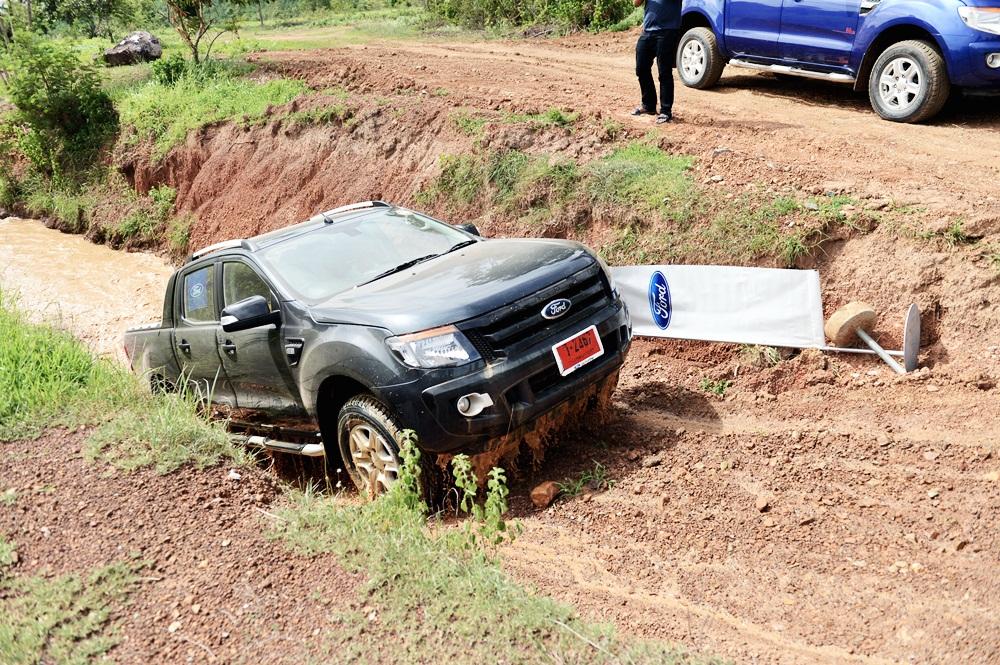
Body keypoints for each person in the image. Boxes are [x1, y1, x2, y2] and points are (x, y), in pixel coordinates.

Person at [631, 0, 682, 124]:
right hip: (648, 30)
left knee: (664, 72)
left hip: (667, 31)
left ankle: (665, 111)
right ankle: (649, 105)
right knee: (641, 68)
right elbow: (636, 3)